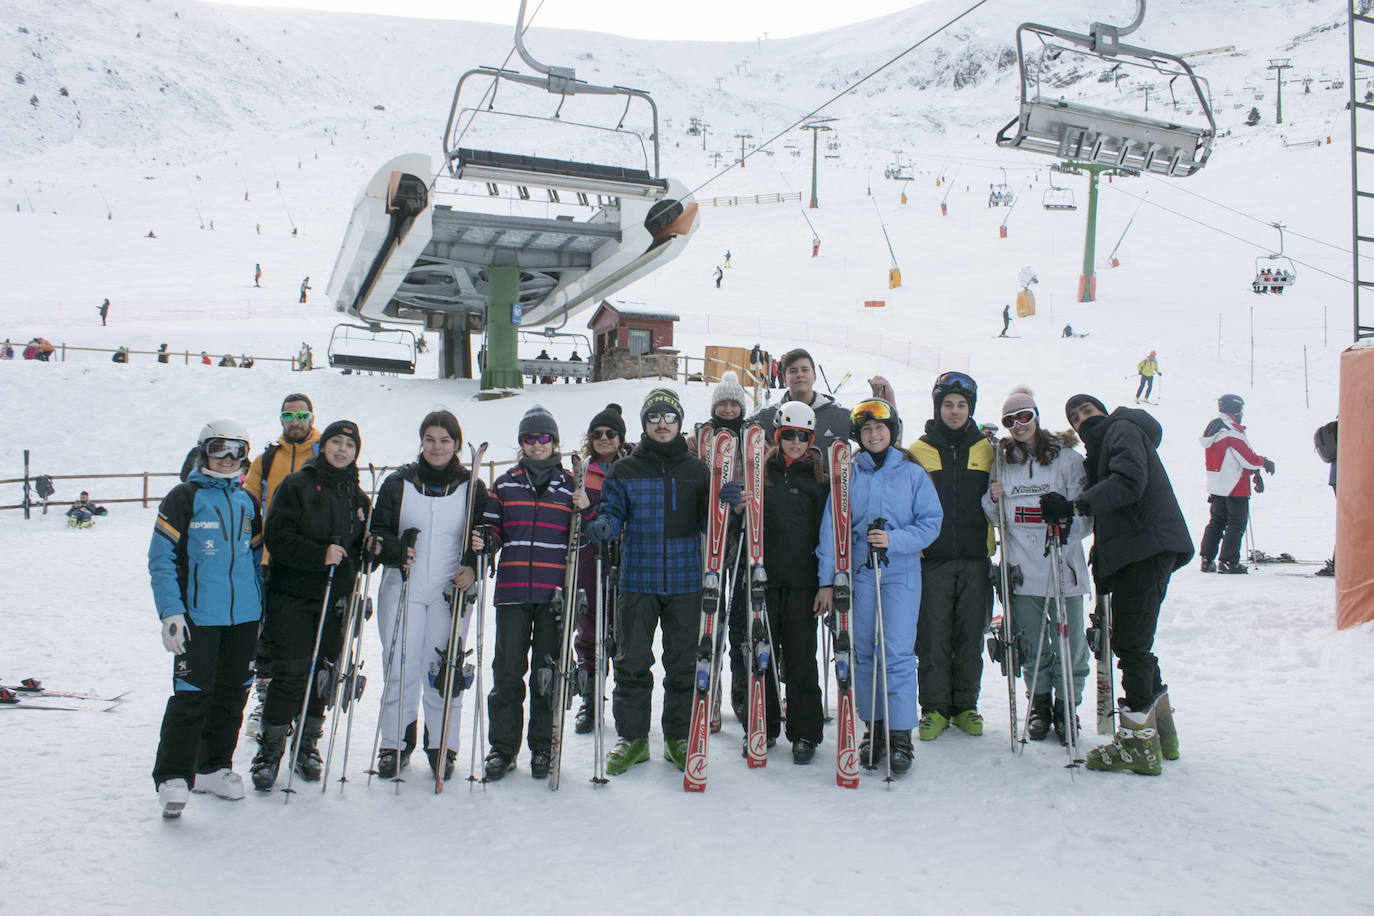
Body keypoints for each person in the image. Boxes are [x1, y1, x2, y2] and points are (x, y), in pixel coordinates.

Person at [585, 389, 734, 774]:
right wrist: (604, 525)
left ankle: (677, 737)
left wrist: (724, 503)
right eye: (654, 418)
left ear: (679, 423)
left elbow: (710, 525)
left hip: (686, 580)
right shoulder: (625, 470)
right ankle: (633, 739)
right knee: (632, 661)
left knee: (682, 663)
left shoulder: (697, 471)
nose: (662, 424)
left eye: (669, 417)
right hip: (638, 579)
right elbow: (613, 511)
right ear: (645, 424)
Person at [1064, 394, 1192, 775]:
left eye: (1087, 409)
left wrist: (1078, 504)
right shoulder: (1107, 444)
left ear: (1103, 411)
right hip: (1144, 550)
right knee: (1137, 644)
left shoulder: (1121, 429)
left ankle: (1138, 746)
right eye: (1074, 416)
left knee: (1130, 646)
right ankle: (1162, 735)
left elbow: (1129, 483)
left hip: (1145, 550)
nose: (1082, 418)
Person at [817, 398, 942, 775]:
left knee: (897, 650)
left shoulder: (911, 473)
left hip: (899, 569)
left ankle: (901, 735)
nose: (874, 435)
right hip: (859, 569)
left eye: (881, 429)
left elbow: (931, 522)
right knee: (864, 652)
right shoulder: (848, 473)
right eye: (867, 430)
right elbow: (830, 528)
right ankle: (875, 728)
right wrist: (827, 578)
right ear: (859, 434)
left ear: (893, 431)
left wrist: (896, 540)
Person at [148, 418, 263, 817]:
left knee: (234, 693)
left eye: (238, 450)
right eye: (219, 448)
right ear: (202, 451)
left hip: (244, 618)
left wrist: (259, 612)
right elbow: (161, 559)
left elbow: (253, 558)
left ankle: (214, 766)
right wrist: (171, 612)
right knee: (192, 695)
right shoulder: (184, 497)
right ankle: (174, 775)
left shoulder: (248, 500)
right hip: (199, 616)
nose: (229, 458)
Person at [250, 420, 371, 791]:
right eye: (335, 442)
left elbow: (359, 551)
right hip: (295, 594)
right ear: (324, 446)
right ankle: (270, 751)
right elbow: (278, 536)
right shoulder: (297, 485)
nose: (341, 450)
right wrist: (320, 554)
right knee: (291, 672)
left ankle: (307, 745)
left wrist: (373, 550)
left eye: (349, 446)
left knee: (325, 673)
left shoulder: (358, 498)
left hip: (336, 599)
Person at [369, 410, 485, 782]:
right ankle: (395, 742)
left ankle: (442, 745)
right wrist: (394, 549)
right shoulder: (398, 483)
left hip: (449, 590)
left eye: (445, 440)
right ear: (421, 441)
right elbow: (378, 532)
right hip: (403, 586)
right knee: (401, 664)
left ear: (455, 444)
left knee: (443, 669)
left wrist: (473, 566)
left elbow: (484, 536)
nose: (437, 447)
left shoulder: (472, 487)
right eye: (430, 439)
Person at [473, 406, 587, 781]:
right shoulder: (505, 485)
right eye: (529, 439)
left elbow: (584, 535)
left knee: (547, 671)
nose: (537, 445)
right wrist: (485, 539)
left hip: (554, 593)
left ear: (554, 441)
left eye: (543, 438)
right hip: (513, 592)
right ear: (521, 443)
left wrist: (586, 510)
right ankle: (503, 749)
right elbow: (494, 532)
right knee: (507, 672)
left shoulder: (571, 486)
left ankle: (543, 746)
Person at [983, 387, 1091, 743]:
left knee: (1071, 644)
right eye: (1010, 421)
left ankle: (1067, 707)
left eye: (1024, 416)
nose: (1018, 425)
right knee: (1030, 643)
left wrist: (1067, 524)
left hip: (1062, 563)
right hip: (1022, 567)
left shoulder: (1068, 459)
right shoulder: (1003, 461)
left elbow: (1086, 514)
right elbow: (996, 516)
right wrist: (992, 499)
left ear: (1037, 416)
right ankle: (1040, 704)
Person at [909, 371, 994, 740]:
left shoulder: (987, 450)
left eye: (962, 405)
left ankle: (965, 705)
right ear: (938, 407)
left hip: (976, 559)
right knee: (932, 635)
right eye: (949, 405)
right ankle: (934, 708)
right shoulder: (919, 450)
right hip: (933, 559)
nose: (955, 411)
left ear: (970, 408)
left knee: (970, 634)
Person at [240, 395, 321, 737]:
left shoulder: (321, 454)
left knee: (303, 636)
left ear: (311, 417)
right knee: (267, 636)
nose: (295, 421)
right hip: (268, 560)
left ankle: (303, 703)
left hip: (308, 561)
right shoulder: (267, 458)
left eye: (301, 415)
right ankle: (265, 700)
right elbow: (247, 500)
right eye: (289, 415)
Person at [760, 401, 829, 763]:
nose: (795, 443)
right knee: (764, 657)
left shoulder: (819, 479)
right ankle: (765, 726)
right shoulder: (762, 471)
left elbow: (829, 534)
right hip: (765, 581)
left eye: (802, 437)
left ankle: (805, 732)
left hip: (803, 584)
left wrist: (827, 583)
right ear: (778, 435)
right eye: (789, 436)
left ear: (810, 438)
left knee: (802, 658)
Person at [688, 371, 752, 723]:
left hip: (743, 533)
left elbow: (764, 477)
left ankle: (742, 691)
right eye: (722, 403)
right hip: (709, 533)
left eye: (733, 403)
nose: (728, 409)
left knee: (741, 619)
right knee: (710, 615)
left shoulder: (755, 437)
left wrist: (747, 501)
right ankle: (708, 692)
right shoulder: (699, 437)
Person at [572, 404, 630, 734]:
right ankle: (590, 699)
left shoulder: (631, 468)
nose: (604, 438)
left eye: (610, 433)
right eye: (598, 434)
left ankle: (624, 699)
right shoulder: (583, 473)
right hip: (591, 557)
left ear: (620, 437)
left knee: (624, 630)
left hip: (624, 555)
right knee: (591, 628)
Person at [1198, 394, 1274, 574]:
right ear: (1235, 409)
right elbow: (1249, 460)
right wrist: (1264, 462)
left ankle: (1206, 559)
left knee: (1216, 522)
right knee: (1236, 524)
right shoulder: (1231, 433)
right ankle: (1228, 561)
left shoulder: (1215, 430)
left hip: (1217, 485)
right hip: (1235, 486)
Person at [749, 348, 852, 465]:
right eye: (793, 371)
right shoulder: (768, 417)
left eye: (805, 370)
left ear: (814, 376)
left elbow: (871, 434)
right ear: (784, 380)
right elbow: (739, 428)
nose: (799, 375)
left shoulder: (839, 416)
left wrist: (877, 397)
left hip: (826, 481)